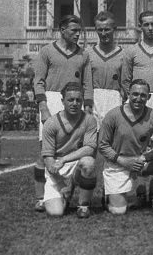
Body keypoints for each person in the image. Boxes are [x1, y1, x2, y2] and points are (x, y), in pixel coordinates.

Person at [33, 15, 94, 212]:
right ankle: (41, 196)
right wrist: (43, 108)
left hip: (74, 103)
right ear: (62, 30)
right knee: (45, 152)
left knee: (73, 150)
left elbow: (88, 84)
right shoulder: (47, 51)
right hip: (51, 101)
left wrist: (89, 108)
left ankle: (67, 191)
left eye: (79, 31)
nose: (78, 34)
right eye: (73, 30)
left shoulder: (83, 55)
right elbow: (38, 81)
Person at [98, 79, 153, 215]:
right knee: (118, 210)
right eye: (135, 94)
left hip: (141, 163)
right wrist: (122, 161)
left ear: (149, 97)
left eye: (143, 95)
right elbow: (102, 145)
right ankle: (108, 196)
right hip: (118, 163)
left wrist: (145, 157)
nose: (138, 98)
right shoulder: (113, 115)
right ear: (128, 94)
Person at [41, 82, 97, 218]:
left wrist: (65, 159)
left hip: (75, 162)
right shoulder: (51, 123)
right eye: (70, 100)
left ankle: (83, 206)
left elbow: (90, 148)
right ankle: (66, 192)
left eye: (78, 100)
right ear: (62, 101)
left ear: (83, 101)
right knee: (55, 212)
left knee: (89, 162)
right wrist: (61, 183)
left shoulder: (89, 120)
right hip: (56, 167)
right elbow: (48, 159)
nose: (74, 103)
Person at [87, 11, 124, 129]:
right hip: (94, 101)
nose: (103, 33)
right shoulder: (88, 54)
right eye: (100, 30)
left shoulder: (124, 55)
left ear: (114, 29)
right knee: (93, 141)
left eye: (107, 29)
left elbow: (125, 84)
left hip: (115, 99)